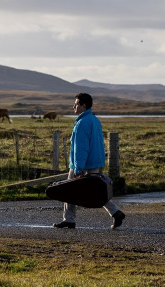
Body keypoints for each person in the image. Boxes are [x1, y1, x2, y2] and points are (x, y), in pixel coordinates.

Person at [53, 92, 125, 229]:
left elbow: (81, 147)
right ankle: (116, 212)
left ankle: (69, 219)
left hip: (82, 163)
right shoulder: (94, 120)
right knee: (96, 191)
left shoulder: (81, 123)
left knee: (69, 190)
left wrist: (78, 168)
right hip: (94, 162)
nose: (73, 107)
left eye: (76, 104)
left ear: (83, 105)